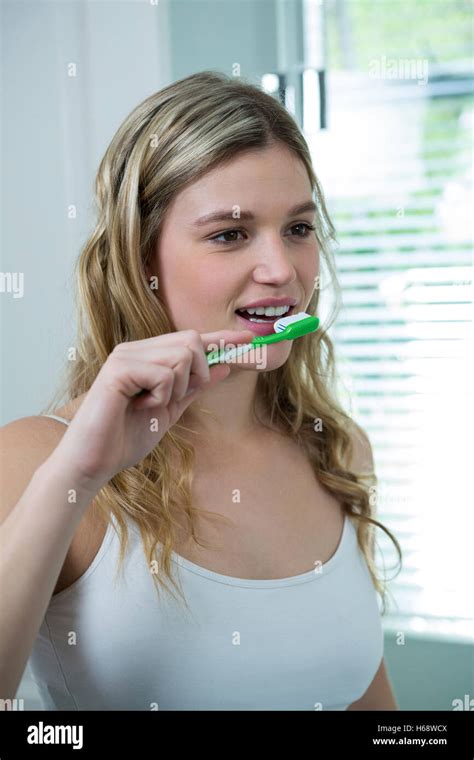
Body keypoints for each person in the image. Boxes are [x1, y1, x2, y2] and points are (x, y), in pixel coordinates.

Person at [0, 70, 401, 711]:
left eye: (298, 229)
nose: (280, 271)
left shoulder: (340, 451)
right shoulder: (31, 458)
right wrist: (78, 469)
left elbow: (367, 704)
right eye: (229, 234)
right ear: (141, 260)